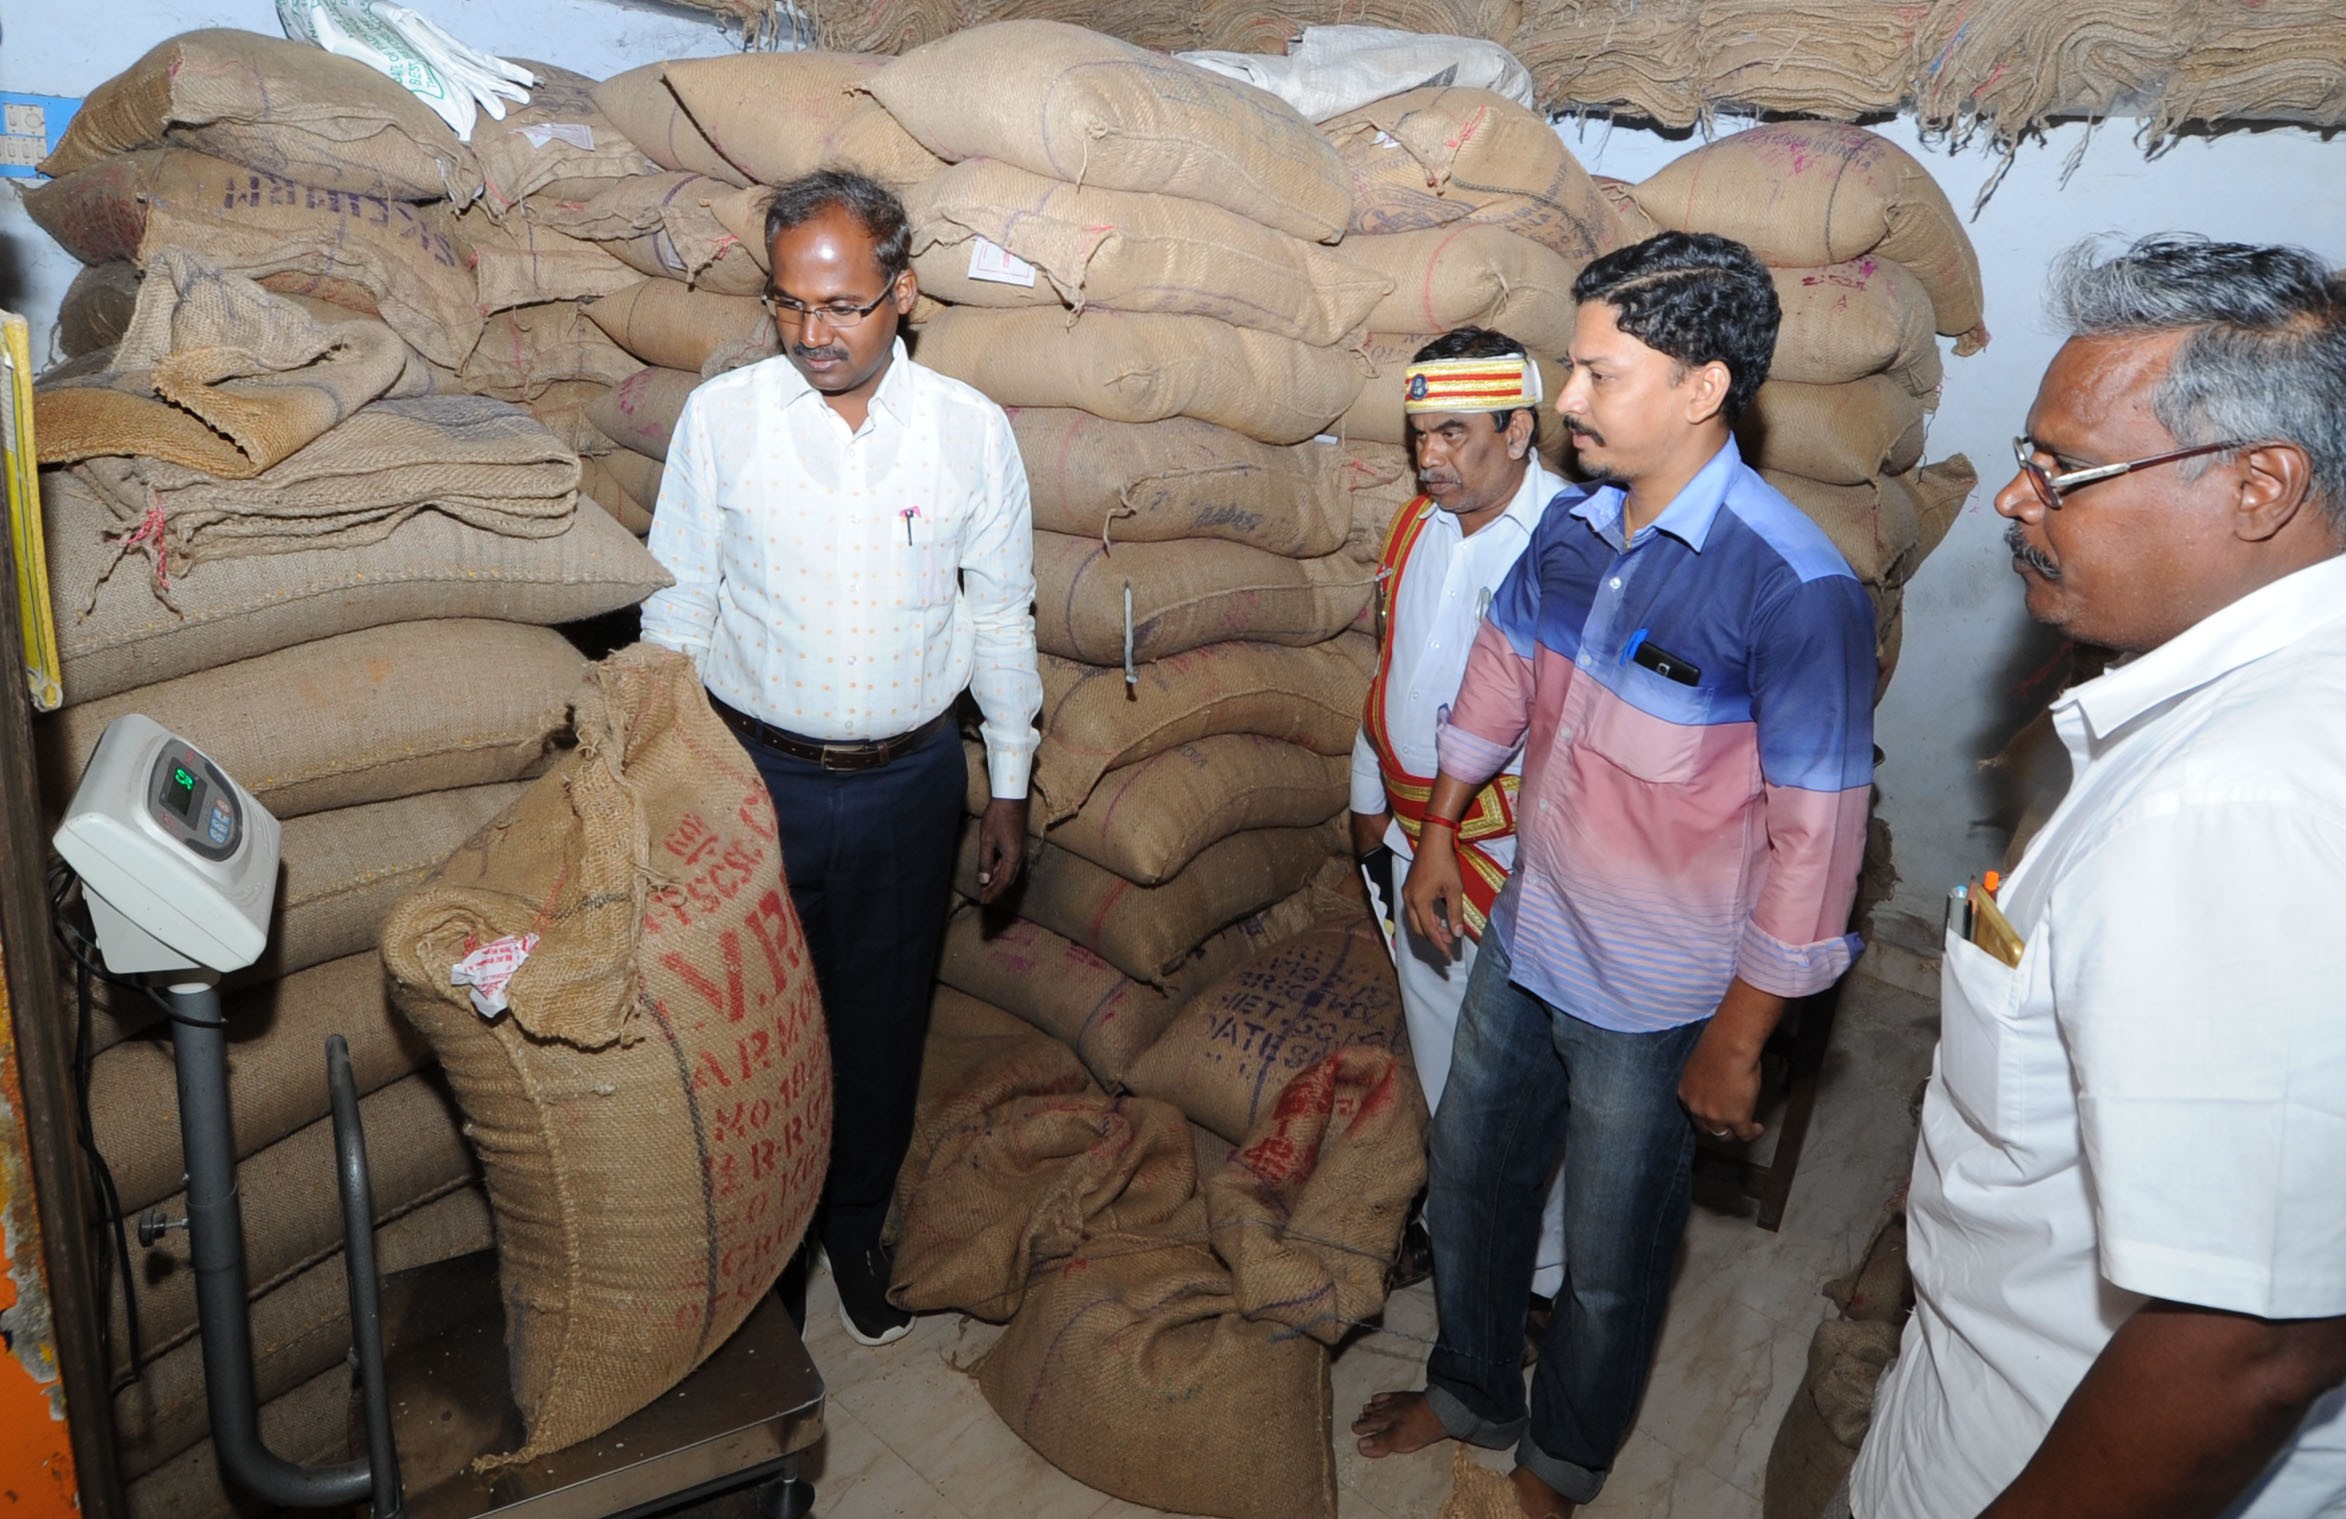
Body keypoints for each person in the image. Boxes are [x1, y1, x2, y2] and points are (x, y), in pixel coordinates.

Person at [1352, 230, 1877, 1518]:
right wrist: (1437, 828)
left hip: (1654, 995)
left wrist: (1743, 1037)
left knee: (1608, 1259)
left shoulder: (1793, 586)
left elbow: (1817, 841)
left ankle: (1562, 1460)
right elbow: (1496, 679)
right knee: (1471, 1183)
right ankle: (1473, 1386)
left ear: (1702, 387)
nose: (1570, 402)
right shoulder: (1577, 529)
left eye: (1598, 375)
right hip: (1527, 936)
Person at [1848, 234, 2346, 1519]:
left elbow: (2247, 1349)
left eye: (2063, 470)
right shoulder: (2222, 720)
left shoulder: (2239, 807)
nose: (2017, 500)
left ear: (2260, 486)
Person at [639, 169, 1042, 1349]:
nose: (812, 334)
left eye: (843, 307)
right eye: (787, 305)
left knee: (878, 1024)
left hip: (912, 783)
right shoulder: (723, 421)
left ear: (904, 295)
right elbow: (679, 606)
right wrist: (663, 770)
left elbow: (999, 615)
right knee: (750, 1027)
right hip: (750, 779)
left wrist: (1006, 781)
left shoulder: (969, 434)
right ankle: (762, 1260)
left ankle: (856, 1226)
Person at [1350, 327, 1570, 1298]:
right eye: (1418, 435)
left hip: (1517, 868)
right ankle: (1454, 1228)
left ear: (1519, 429)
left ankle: (1541, 1278)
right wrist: (1369, 801)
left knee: (1525, 1086)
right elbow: (1392, 672)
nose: (1429, 457)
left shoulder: (1571, 549)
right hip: (1414, 844)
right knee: (1444, 1063)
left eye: (1453, 433)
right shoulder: (1414, 528)